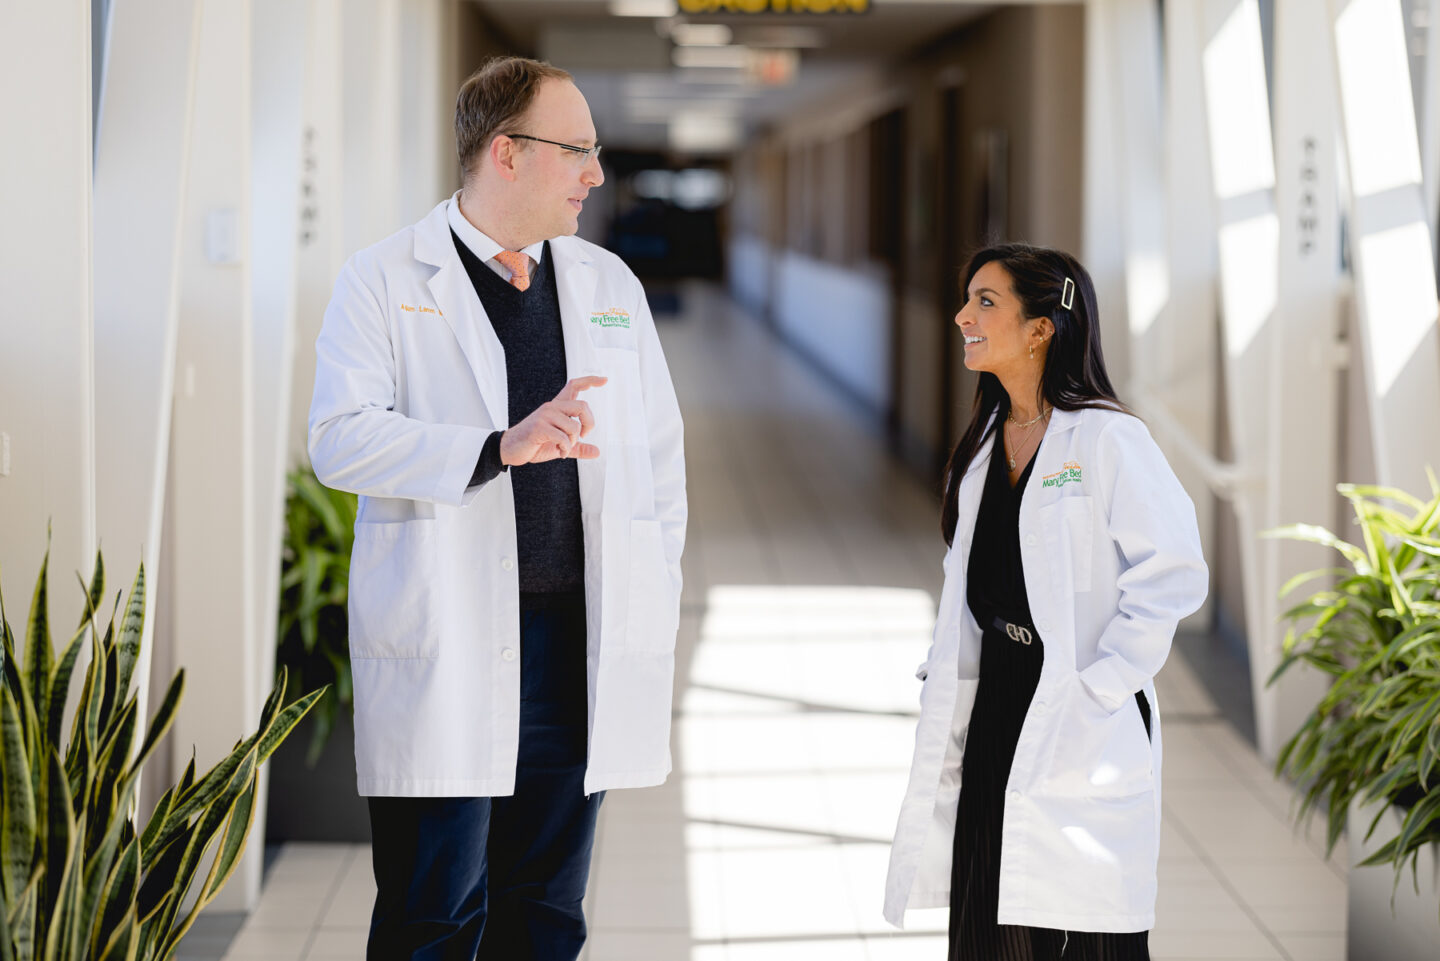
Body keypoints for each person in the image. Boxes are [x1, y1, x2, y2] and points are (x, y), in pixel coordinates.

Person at [308, 56, 686, 961]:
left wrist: (652, 578)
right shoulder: (384, 277)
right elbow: (339, 438)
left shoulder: (608, 287)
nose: (597, 174)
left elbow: (660, 462)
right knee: (434, 910)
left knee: (547, 911)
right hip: (451, 637)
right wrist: (496, 447)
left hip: (572, 644)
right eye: (579, 152)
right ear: (507, 153)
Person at [883, 244, 1208, 959]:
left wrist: (1103, 686)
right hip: (997, 704)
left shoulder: (1109, 439)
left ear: (1041, 328)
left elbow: (1174, 574)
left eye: (986, 301)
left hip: (1075, 708)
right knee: (988, 923)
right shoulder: (984, 445)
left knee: (1083, 931)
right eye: (968, 299)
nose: (963, 314)